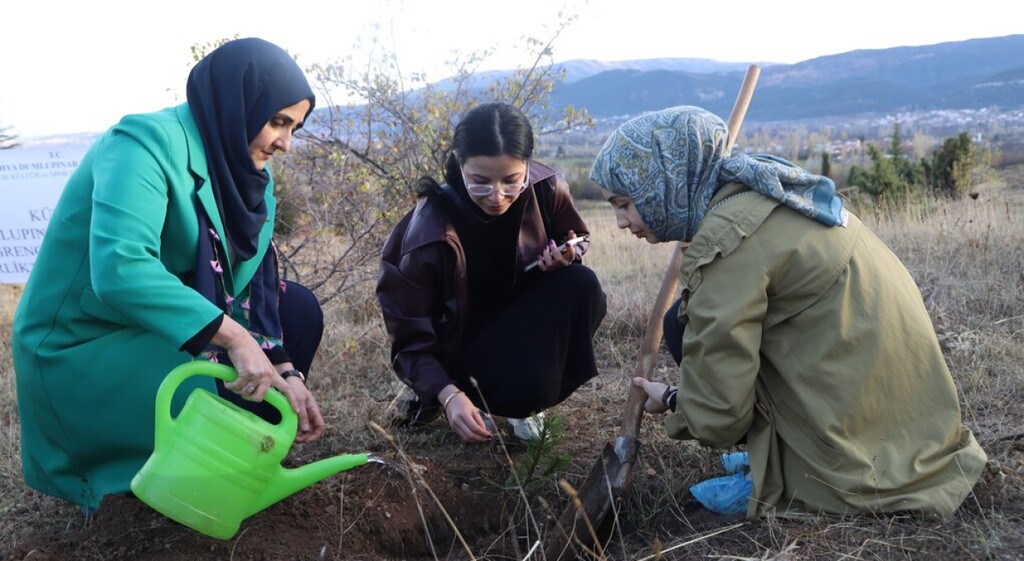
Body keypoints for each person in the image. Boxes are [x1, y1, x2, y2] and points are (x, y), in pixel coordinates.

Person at [589, 105, 987, 518]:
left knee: (698, 329)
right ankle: (775, 446)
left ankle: (787, 465)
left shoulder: (729, 240)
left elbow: (719, 414)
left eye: (625, 203)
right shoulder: (765, 186)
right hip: (900, 401)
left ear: (663, 186)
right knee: (682, 322)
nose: (620, 222)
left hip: (865, 447)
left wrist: (675, 401)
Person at [12, 38, 327, 511]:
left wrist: (286, 368)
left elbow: (254, 283)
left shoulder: (247, 171)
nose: (285, 142)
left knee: (298, 310)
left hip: (152, 330)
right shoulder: (141, 145)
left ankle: (219, 470)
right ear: (237, 104)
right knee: (219, 356)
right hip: (83, 343)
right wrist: (235, 339)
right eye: (278, 121)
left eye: (294, 127)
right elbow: (121, 269)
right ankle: (161, 483)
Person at [377, 102, 607, 443]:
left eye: (511, 180)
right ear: (458, 162)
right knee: (529, 391)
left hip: (519, 321)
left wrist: (566, 254)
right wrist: (448, 393)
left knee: (582, 284)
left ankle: (521, 396)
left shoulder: (546, 188)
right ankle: (484, 396)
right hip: (462, 347)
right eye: (480, 181)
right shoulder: (428, 233)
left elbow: (576, 237)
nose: (497, 196)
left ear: (527, 165)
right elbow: (409, 342)